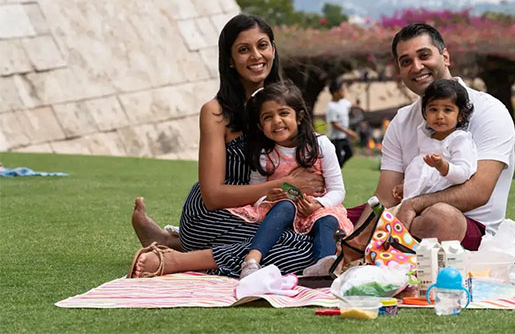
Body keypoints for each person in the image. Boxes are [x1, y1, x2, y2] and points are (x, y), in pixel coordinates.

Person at [128, 14, 325, 278]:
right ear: (230, 60)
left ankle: (173, 243)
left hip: (268, 212)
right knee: (300, 247)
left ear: (273, 49)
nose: (256, 56)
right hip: (213, 214)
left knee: (321, 240)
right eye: (244, 50)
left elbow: (308, 161)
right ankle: (176, 260)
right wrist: (286, 185)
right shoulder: (215, 112)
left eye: (262, 45)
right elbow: (213, 195)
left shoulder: (284, 108)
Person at [345, 23, 515, 256]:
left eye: (424, 55)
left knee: (440, 217)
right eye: (405, 62)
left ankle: (386, 246)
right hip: (406, 214)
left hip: (467, 225)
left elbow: (478, 192)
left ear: (445, 56)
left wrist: (412, 205)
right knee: (332, 218)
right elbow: (385, 196)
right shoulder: (402, 120)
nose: (416, 67)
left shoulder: (489, 111)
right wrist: (356, 237)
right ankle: (366, 249)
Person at [228, 81, 353, 278]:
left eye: (284, 113)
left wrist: (318, 204)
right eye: (268, 117)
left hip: (316, 208)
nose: (277, 121)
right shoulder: (265, 154)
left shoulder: (320, 145)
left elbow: (338, 190)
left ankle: (324, 264)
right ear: (261, 126)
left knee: (328, 220)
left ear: (299, 116)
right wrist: (267, 198)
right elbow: (257, 191)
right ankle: (252, 260)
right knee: (285, 205)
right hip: (281, 209)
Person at [392, 79, 477, 203]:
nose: (439, 116)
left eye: (447, 110)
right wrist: (405, 186)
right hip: (414, 198)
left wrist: (442, 166)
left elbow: (463, 173)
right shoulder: (425, 137)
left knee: (407, 217)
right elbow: (420, 170)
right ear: (425, 113)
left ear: (460, 115)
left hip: (438, 201)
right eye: (433, 110)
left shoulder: (459, 140)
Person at [326, 79, 357, 167]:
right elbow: (334, 124)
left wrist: (359, 107)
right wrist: (348, 132)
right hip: (336, 139)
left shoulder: (343, 102)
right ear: (335, 93)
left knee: (349, 153)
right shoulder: (331, 107)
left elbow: (350, 105)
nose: (344, 92)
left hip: (343, 137)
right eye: (341, 90)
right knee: (338, 159)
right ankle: (335, 172)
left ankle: (337, 169)